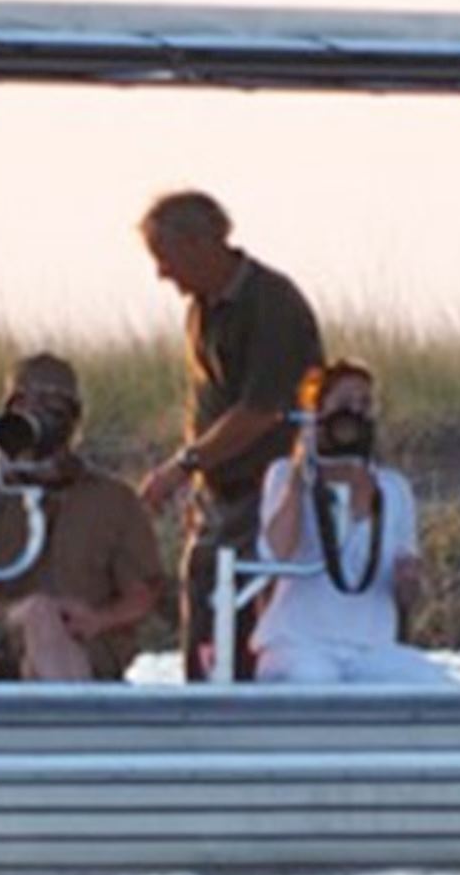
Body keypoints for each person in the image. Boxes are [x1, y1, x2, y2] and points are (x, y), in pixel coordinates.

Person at [130, 190, 325, 673]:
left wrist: (182, 467)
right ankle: (199, 716)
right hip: (216, 491)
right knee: (203, 608)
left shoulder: (272, 303)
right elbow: (210, 404)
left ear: (201, 242)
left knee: (245, 612)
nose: (162, 273)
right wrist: (197, 479)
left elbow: (262, 410)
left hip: (270, 489)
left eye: (165, 258)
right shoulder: (200, 309)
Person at [0, 353, 168, 682]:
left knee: (51, 635)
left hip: (89, 646)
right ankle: (71, 718)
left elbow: (143, 595)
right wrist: (27, 618)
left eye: (52, 405)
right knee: (39, 615)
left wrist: (96, 619)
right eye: (23, 402)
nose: (36, 413)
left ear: (73, 417)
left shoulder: (114, 500)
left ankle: (63, 713)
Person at [248, 360, 448, 685]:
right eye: (343, 405)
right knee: (314, 679)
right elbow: (277, 557)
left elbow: (406, 594)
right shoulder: (285, 476)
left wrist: (408, 582)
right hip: (299, 644)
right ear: (316, 414)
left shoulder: (393, 490)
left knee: (432, 682)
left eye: (364, 405)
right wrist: (301, 477)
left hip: (370, 648)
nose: (353, 415)